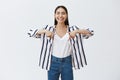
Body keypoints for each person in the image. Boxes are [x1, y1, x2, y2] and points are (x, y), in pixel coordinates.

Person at [28, 5, 94, 80]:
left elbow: (91, 32)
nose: (60, 15)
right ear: (54, 15)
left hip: (67, 63)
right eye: (58, 13)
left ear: (66, 15)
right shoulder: (49, 29)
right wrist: (45, 31)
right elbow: (30, 33)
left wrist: (77, 31)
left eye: (63, 13)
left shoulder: (72, 29)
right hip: (52, 63)